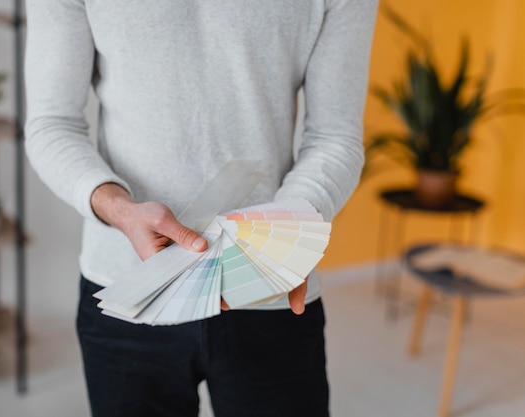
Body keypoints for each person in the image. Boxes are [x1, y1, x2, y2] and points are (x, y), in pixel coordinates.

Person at [24, 1, 378, 416]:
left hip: (268, 286)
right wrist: (120, 210)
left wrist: (289, 229)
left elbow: (335, 136)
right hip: (128, 290)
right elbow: (52, 123)